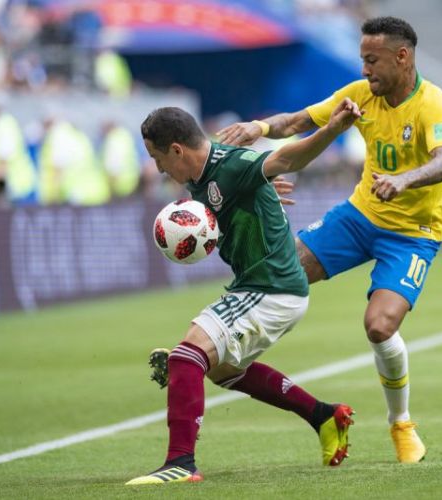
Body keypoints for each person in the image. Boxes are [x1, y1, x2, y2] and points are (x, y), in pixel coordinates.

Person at [217, 16, 442, 464]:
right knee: (277, 269)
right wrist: (260, 128)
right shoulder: (359, 95)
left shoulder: (433, 104)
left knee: (379, 326)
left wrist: (405, 180)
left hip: (412, 235)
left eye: (372, 60)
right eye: (362, 60)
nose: (365, 69)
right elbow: (297, 120)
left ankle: (401, 424)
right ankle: (212, 347)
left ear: (402, 57)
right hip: (359, 217)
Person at [126, 98, 362, 486]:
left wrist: (334, 128)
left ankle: (180, 463)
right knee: (223, 371)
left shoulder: (232, 164)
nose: (157, 167)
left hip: (272, 287)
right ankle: (324, 416)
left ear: (177, 150)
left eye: (157, 157)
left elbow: (289, 159)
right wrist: (263, 195)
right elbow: (240, 191)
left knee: (188, 357)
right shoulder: (197, 179)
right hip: (262, 286)